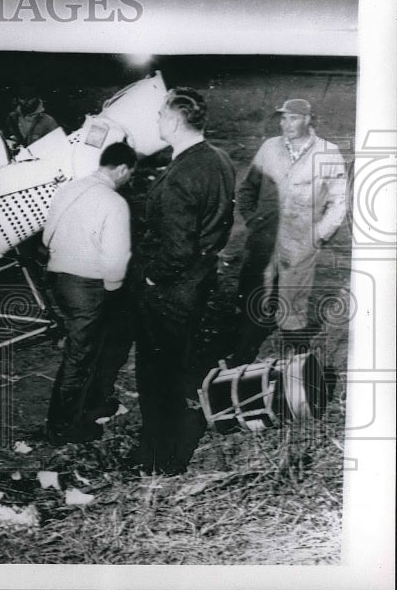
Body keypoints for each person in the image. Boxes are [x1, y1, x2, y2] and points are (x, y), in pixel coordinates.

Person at [126, 87, 235, 475]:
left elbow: (175, 249)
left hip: (172, 291)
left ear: (173, 121)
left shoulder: (180, 175)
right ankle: (170, 448)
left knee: (157, 376)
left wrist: (153, 279)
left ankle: (158, 458)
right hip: (201, 281)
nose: (156, 121)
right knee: (181, 369)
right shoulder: (218, 159)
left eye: (160, 115)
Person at [234, 98, 348, 360]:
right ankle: (243, 360)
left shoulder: (328, 153)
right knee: (254, 298)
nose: (286, 124)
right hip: (263, 240)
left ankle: (293, 366)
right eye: (283, 118)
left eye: (293, 118)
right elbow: (247, 188)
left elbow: (339, 201)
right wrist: (253, 220)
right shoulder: (269, 148)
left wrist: (318, 235)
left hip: (300, 242)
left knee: (292, 305)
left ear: (309, 119)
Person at [43, 141, 137, 444]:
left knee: (88, 348)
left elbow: (46, 235)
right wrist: (113, 289)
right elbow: (115, 258)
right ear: (122, 169)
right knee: (80, 355)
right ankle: (62, 426)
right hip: (87, 285)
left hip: (57, 278)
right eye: (129, 174)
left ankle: (92, 403)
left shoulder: (69, 189)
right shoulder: (114, 202)